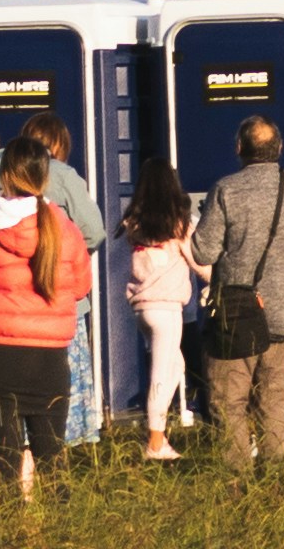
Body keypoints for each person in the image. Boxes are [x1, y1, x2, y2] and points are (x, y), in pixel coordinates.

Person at [0, 155, 84, 505]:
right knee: (53, 461)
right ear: (44, 178)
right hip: (49, 360)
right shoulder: (63, 227)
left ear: (5, 177)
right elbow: (81, 286)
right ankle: (66, 536)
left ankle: (9, 534)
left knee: (6, 462)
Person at [181, 124, 284, 480]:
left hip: (238, 313)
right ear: (279, 147)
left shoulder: (227, 189)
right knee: (277, 400)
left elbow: (202, 250)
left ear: (239, 147)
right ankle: (276, 478)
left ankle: (237, 480)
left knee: (228, 399)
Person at [115, 179, 191, 456]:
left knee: (176, 365)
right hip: (167, 308)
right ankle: (155, 441)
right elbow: (197, 260)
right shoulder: (178, 225)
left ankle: (159, 434)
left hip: (142, 308)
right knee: (161, 372)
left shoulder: (134, 223)